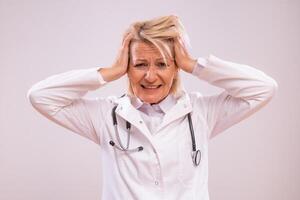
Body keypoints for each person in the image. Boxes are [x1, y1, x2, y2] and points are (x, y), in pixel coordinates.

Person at [27, 15, 278, 200]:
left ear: (175, 67)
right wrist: (110, 72)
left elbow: (263, 88)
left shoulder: (200, 113)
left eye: (161, 64)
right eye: (139, 65)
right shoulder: (107, 116)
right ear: (127, 66)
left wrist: (194, 65)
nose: (150, 76)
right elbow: (41, 96)